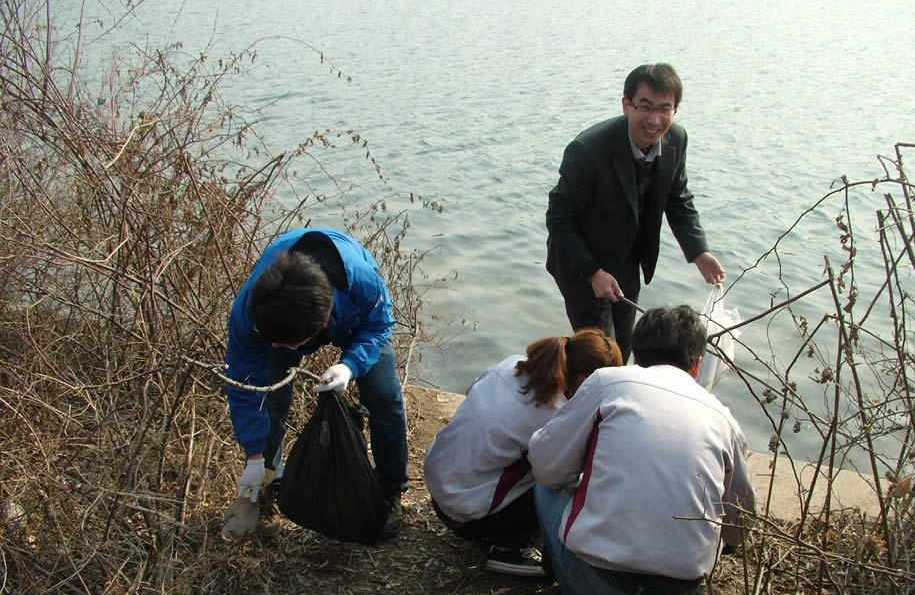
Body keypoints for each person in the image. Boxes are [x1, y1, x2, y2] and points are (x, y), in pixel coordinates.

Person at [528, 305, 755, 595]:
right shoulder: (723, 418)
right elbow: (739, 520)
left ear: (635, 355)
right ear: (697, 364)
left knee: (546, 482)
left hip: (597, 580)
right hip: (679, 585)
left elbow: (547, 465)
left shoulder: (608, 383)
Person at [220, 228, 408, 540]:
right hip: (284, 320)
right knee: (272, 398)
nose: (276, 347)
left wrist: (349, 366)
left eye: (285, 344)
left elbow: (378, 326)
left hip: (353, 316)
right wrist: (253, 455)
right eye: (272, 342)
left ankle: (390, 488)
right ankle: (267, 485)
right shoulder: (250, 313)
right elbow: (245, 385)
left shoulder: (360, 281)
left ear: (323, 325)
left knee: (384, 399)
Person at [546, 63, 725, 362]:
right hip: (580, 263)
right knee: (600, 355)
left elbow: (678, 200)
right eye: (645, 107)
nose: (654, 120)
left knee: (625, 345)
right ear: (626, 105)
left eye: (664, 109)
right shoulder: (587, 149)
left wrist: (699, 252)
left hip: (627, 262)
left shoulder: (676, 140)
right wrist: (593, 272)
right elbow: (558, 218)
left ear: (675, 110)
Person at [424, 329, 622, 576]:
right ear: (586, 380)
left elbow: (471, 390)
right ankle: (511, 548)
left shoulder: (512, 364)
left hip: (438, 488)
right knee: (564, 478)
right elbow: (556, 477)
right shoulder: (558, 415)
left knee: (537, 456)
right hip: (464, 517)